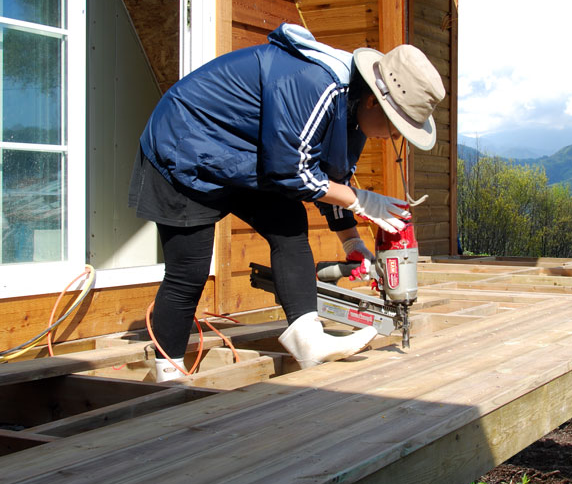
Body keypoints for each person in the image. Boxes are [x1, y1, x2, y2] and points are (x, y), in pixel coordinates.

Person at [129, 23, 445, 380]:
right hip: (186, 146)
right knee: (189, 271)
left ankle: (307, 341)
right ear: (374, 100)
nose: (392, 137)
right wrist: (360, 199)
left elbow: (330, 175)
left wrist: (351, 241)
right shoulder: (317, 85)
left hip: (244, 157)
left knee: (289, 226)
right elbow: (292, 173)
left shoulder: (353, 110)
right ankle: (167, 372)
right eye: (395, 126)